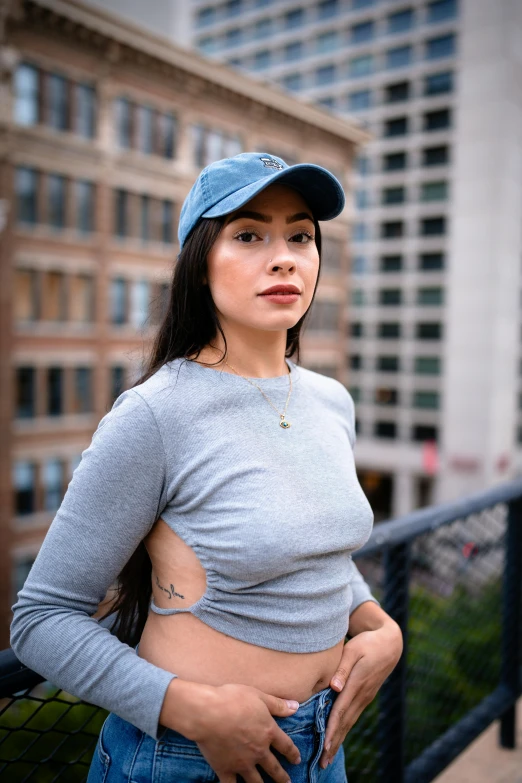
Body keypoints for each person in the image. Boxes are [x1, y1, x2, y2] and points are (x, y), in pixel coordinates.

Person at [10, 152, 403, 783]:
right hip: (188, 755)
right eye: (249, 235)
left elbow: (310, 543)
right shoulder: (156, 414)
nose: (284, 257)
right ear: (199, 267)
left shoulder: (331, 400)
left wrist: (380, 625)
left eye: (300, 236)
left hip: (323, 745)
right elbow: (41, 619)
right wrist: (192, 709)